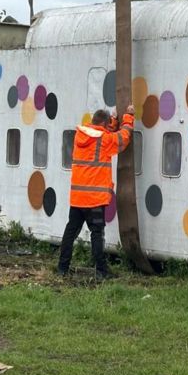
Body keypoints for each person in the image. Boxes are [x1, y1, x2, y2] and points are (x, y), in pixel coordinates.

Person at [57, 104, 135, 280]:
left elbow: (103, 134)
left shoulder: (80, 136)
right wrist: (128, 116)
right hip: (94, 200)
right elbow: (123, 138)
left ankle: (62, 268)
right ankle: (101, 271)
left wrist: (113, 121)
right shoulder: (104, 141)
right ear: (104, 124)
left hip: (77, 198)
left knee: (70, 232)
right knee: (97, 235)